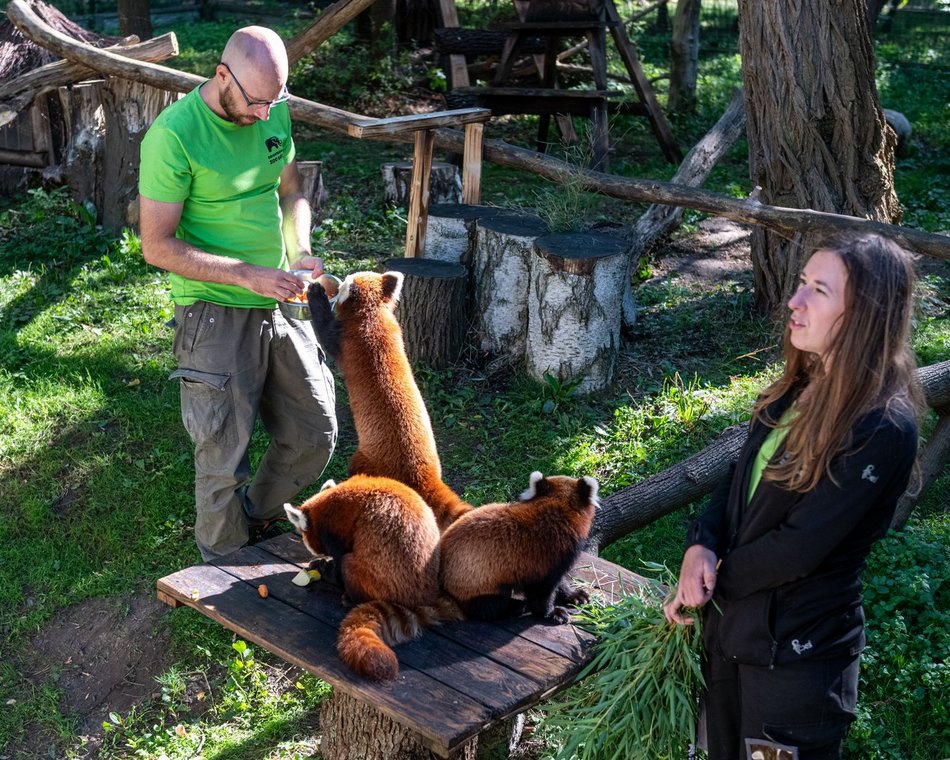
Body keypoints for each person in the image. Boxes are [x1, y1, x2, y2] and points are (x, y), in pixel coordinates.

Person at [663, 233, 921, 760]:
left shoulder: (882, 427)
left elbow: (799, 548)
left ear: (862, 315)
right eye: (802, 283)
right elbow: (738, 480)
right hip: (734, 636)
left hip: (796, 660)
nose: (794, 301)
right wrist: (700, 546)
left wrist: (709, 584)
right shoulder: (799, 386)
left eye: (818, 290)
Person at [139, 26, 337, 561]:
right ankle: (221, 563)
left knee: (315, 433)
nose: (267, 116)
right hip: (214, 309)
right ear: (222, 75)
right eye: (256, 103)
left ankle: (254, 516)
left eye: (277, 102)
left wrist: (299, 249)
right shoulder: (174, 136)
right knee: (223, 451)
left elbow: (291, 187)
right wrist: (245, 274)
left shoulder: (270, 107)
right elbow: (156, 245)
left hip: (279, 295)